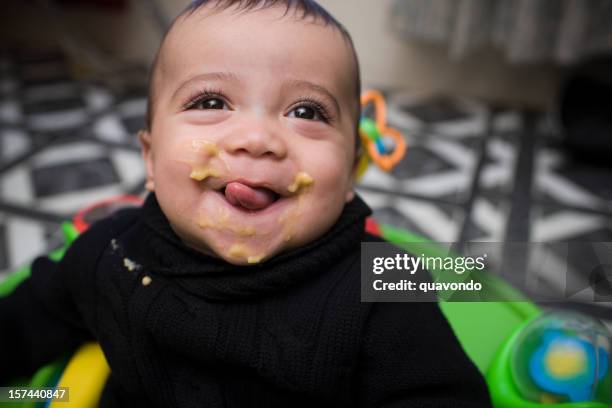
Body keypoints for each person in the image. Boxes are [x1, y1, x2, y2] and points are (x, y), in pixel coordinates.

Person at [0, 1, 492, 406]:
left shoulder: (382, 284)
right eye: (210, 102)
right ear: (150, 159)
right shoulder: (112, 254)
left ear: (350, 173)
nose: (257, 139)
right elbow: (28, 319)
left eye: (306, 111)